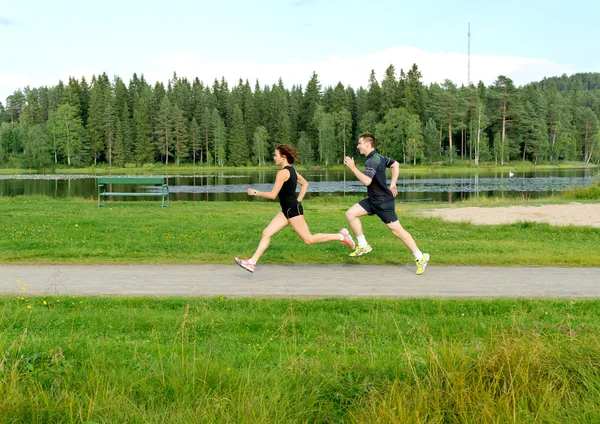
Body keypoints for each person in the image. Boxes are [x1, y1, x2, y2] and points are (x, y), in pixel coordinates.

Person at [235, 144, 355, 273]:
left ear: (283, 157)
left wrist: (255, 192)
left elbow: (273, 195)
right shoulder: (292, 170)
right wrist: (298, 200)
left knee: (308, 239)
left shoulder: (282, 173)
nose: (274, 157)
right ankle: (252, 262)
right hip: (287, 210)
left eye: (276, 155)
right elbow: (305, 184)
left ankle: (341, 236)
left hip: (292, 210)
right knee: (267, 233)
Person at [343, 132, 430, 275]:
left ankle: (420, 257)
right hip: (373, 200)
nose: (358, 146)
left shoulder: (372, 161)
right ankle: (363, 245)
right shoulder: (379, 157)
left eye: (359, 143)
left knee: (398, 231)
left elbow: (367, 181)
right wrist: (393, 184)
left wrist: (352, 167)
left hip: (383, 203)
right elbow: (395, 164)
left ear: (367, 144)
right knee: (351, 213)